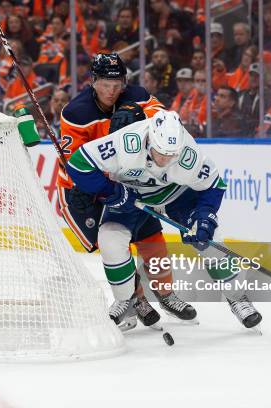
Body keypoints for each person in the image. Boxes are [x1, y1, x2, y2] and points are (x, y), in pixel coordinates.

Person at [65, 110, 262, 330]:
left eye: (171, 156)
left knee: (210, 239)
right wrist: (111, 192)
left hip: (175, 195)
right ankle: (126, 300)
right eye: (160, 153)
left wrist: (205, 217)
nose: (165, 160)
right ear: (149, 139)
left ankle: (238, 297)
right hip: (130, 197)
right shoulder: (125, 141)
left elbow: (214, 185)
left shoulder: (189, 153)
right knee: (110, 239)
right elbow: (78, 164)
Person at [58, 53, 196, 330]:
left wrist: (141, 115)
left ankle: (166, 294)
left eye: (117, 83)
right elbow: (74, 163)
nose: (112, 90)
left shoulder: (138, 95)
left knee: (151, 237)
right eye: (106, 83)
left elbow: (165, 119)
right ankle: (136, 300)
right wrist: (89, 190)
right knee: (112, 246)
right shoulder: (76, 113)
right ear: (93, 82)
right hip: (85, 190)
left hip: (128, 181)